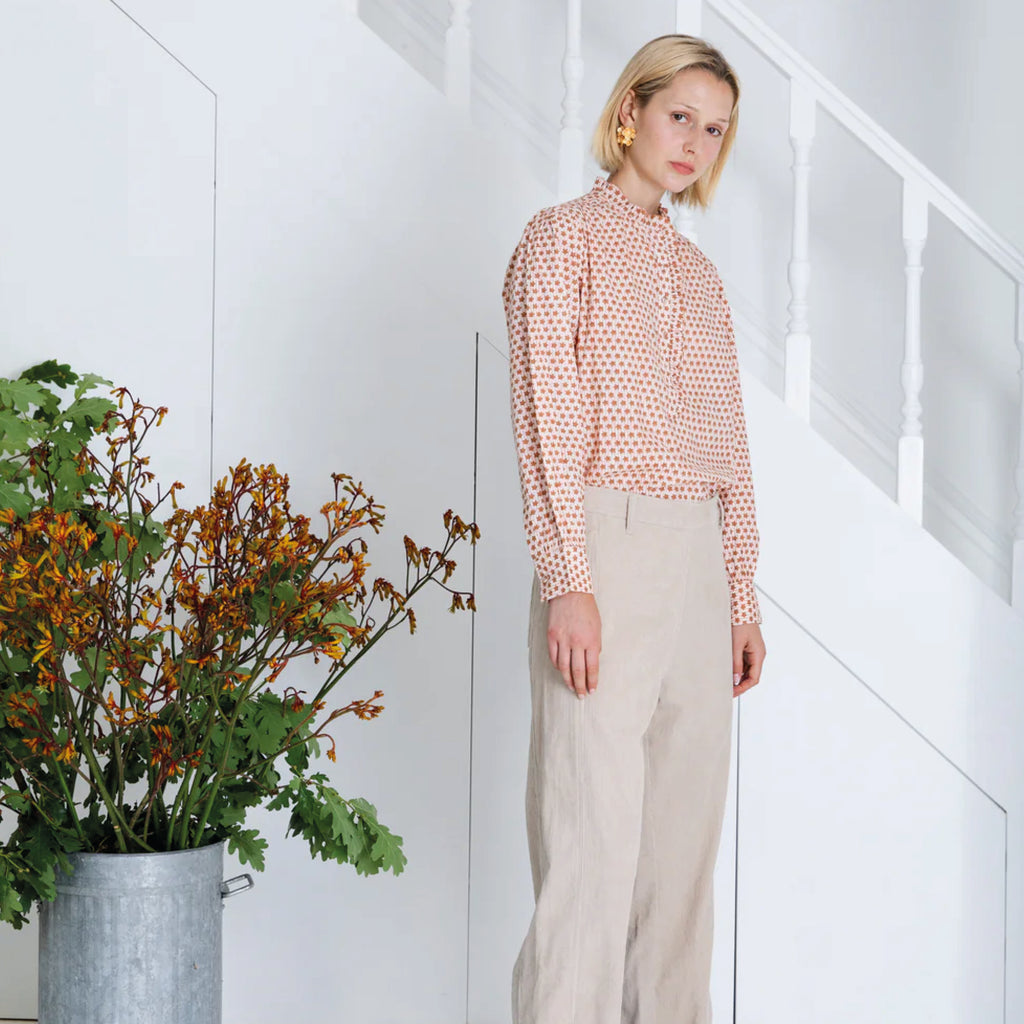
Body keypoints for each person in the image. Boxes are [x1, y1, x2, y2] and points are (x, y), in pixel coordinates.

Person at [501, 33, 767, 1024]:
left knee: (680, 863)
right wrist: (569, 577)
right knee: (591, 850)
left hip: (698, 561)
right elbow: (549, 418)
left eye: (716, 129)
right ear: (630, 112)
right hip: (604, 546)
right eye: (680, 116)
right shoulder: (558, 240)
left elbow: (729, 446)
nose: (695, 142)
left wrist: (739, 594)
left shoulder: (701, 278)